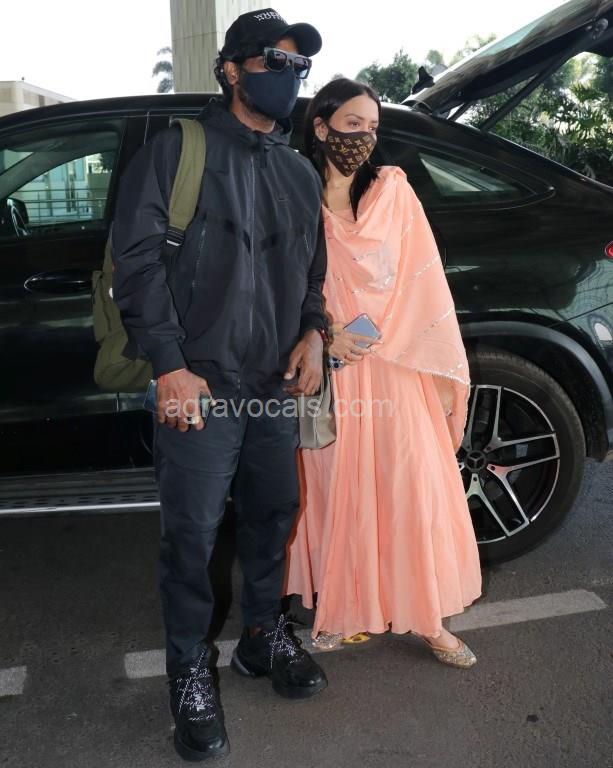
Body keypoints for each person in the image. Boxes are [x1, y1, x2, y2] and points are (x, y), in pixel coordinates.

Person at [113, 8, 329, 762]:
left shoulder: (299, 172)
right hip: (198, 386)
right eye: (273, 61)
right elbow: (136, 267)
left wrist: (314, 333)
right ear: (232, 69)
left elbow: (311, 276)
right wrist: (169, 366)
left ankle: (263, 636)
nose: (288, 76)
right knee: (193, 538)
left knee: (273, 515)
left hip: (271, 385)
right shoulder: (178, 151)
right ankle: (188, 674)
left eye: (298, 65)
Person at [286, 78, 482, 668]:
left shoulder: (393, 191)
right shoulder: (292, 190)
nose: (364, 138)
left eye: (372, 127)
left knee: (409, 488)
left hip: (394, 365)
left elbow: (422, 279)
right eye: (352, 125)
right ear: (321, 126)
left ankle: (427, 618)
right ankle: (343, 610)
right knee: (336, 490)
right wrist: (324, 333)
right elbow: (279, 277)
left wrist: (372, 338)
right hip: (330, 368)